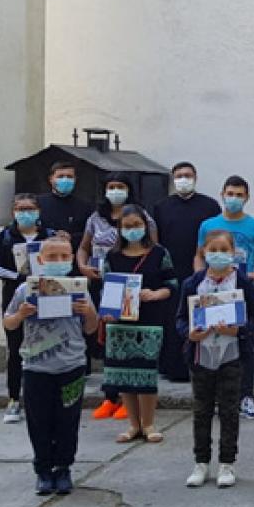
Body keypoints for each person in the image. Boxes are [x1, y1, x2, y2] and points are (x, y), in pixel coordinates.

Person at [2, 236, 98, 495]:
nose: (58, 261)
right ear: (41, 260)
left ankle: (63, 467)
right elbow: (8, 322)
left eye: (64, 256)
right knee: (39, 421)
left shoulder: (79, 289)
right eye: (52, 257)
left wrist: (87, 312)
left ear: (71, 259)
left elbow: (91, 328)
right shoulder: (25, 289)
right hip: (36, 367)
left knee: (68, 420)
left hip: (71, 365)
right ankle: (43, 470)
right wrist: (21, 314)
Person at [178, 229, 254, 489]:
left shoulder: (242, 282)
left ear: (233, 252)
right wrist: (190, 333)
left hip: (232, 356)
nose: (218, 255)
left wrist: (239, 330)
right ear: (203, 252)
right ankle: (201, 462)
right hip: (201, 356)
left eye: (224, 250)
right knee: (201, 411)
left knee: (229, 411)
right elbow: (180, 318)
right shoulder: (193, 283)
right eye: (213, 250)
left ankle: (227, 463)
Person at [78, 172, 159, 420]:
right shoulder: (95, 218)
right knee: (109, 342)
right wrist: (83, 266)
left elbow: (153, 250)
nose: (115, 191)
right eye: (111, 186)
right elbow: (83, 247)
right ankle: (110, 396)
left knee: (132, 343)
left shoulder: (143, 217)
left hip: (135, 289)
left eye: (120, 186)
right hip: (104, 287)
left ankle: (129, 397)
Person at [198, 175, 254, 419]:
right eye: (230, 194)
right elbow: (198, 255)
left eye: (239, 195)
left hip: (242, 290)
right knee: (212, 341)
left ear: (247, 197)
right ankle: (215, 397)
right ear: (222, 194)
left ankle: (246, 397)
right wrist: (200, 279)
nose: (234, 198)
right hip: (213, 291)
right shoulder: (208, 225)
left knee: (245, 342)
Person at [102, 205, 178, 445]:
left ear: (145, 226)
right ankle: (133, 425)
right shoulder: (112, 256)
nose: (132, 230)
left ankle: (149, 423)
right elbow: (106, 288)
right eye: (127, 226)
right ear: (120, 228)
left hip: (150, 320)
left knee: (146, 374)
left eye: (136, 225)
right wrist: (108, 312)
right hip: (120, 323)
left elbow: (172, 284)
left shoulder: (159, 253)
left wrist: (155, 294)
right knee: (124, 375)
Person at [151, 161, 220, 382]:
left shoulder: (210, 206)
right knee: (173, 320)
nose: (183, 179)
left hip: (201, 270)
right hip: (170, 272)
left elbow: (217, 239)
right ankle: (173, 367)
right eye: (179, 175)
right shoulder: (161, 207)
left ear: (195, 178)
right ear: (173, 179)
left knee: (201, 318)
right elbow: (156, 241)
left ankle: (202, 365)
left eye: (187, 175)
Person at [0, 193, 63, 424]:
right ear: (13, 211)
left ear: (38, 211)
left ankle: (45, 399)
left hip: (47, 294)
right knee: (16, 348)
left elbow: (63, 260)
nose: (25, 213)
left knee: (49, 344)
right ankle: (14, 398)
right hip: (15, 297)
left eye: (30, 209)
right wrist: (17, 277)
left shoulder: (50, 235)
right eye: (21, 209)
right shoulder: (5, 236)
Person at [36, 161, 88, 251]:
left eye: (69, 177)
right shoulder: (38, 203)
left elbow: (89, 234)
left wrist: (71, 237)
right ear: (51, 179)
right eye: (60, 176)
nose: (65, 180)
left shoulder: (84, 206)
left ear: (75, 179)